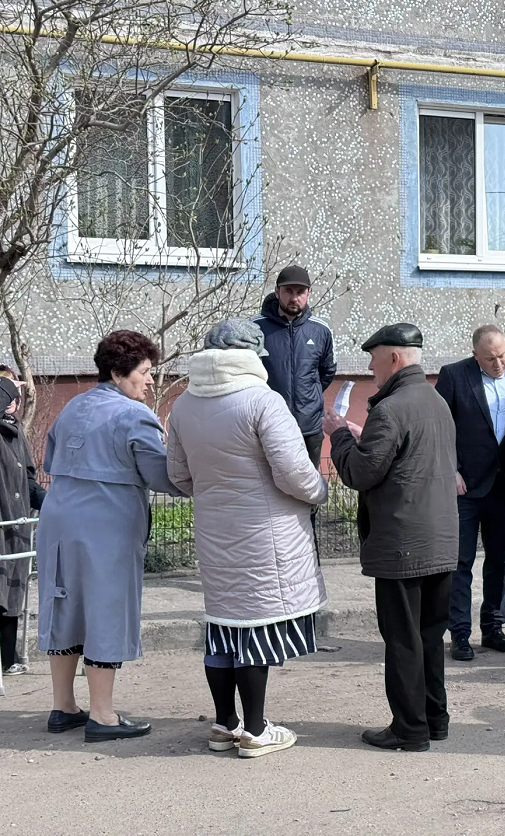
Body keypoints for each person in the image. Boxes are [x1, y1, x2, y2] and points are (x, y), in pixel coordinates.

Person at [166, 320, 329, 759]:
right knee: (255, 627)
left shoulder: (183, 405)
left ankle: (224, 724)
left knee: (223, 625)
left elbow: (178, 475)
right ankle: (256, 730)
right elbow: (294, 473)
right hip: (265, 532)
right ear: (253, 355)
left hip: (214, 530)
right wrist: (319, 491)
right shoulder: (263, 400)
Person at [36, 331, 183, 741]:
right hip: (106, 523)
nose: (150, 380)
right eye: (145, 371)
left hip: (58, 516)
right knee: (106, 608)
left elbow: (50, 459)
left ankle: (63, 706)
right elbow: (163, 477)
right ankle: (102, 715)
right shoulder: (135, 415)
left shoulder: (73, 406)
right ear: (119, 373)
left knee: (63, 604)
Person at [325, 323, 458, 752]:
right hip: (440, 539)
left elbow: (361, 473)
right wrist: (362, 439)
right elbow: (405, 457)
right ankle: (434, 720)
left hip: (403, 542)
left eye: (374, 359)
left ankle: (408, 729)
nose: (371, 368)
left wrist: (339, 434)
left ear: (394, 358)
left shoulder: (390, 408)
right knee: (430, 636)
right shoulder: (436, 401)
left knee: (402, 639)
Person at [435, 325, 505, 661]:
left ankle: (493, 628)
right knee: (460, 562)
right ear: (475, 355)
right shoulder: (454, 376)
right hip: (464, 485)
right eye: (490, 358)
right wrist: (450, 470)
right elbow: (439, 426)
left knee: (499, 560)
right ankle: (460, 634)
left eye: (502, 355)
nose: (498, 363)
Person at [254, 264, 337, 468]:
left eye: (300, 292)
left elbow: (327, 372)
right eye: (288, 291)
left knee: (309, 484)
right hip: (270, 424)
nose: (294, 298)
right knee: (270, 484)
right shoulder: (255, 328)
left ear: (309, 293)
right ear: (277, 292)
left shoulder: (321, 330)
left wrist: (307, 395)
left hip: (310, 427)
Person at [0, 378, 46, 677]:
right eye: (9, 397)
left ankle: (9, 657)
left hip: (15, 527)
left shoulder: (16, 433)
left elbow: (28, 482)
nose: (14, 403)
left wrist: (53, 503)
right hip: (2, 522)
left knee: (12, 590)